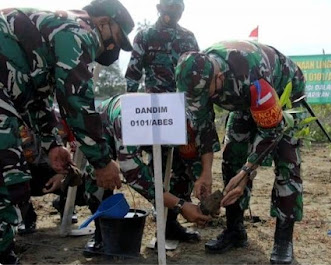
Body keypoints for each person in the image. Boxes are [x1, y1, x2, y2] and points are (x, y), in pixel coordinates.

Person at [0, 0, 134, 263]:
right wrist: (102, 161)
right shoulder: (78, 32)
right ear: (104, 22)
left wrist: (52, 145)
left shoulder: (56, 33)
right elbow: (76, 101)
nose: (113, 48)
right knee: (8, 177)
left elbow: (38, 100)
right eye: (117, 38)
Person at [175, 40, 306, 264]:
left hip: (283, 94)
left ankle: (284, 239)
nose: (203, 101)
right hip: (243, 101)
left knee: (287, 163)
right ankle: (235, 231)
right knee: (231, 157)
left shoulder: (253, 76)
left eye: (206, 95)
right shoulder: (197, 74)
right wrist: (203, 173)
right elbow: (203, 126)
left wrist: (247, 172)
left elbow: (270, 132)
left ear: (219, 78)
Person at [82, 95, 211, 256]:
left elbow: (193, 155)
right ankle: (102, 233)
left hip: (154, 130)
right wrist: (180, 205)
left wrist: (202, 183)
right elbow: (133, 173)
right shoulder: (128, 120)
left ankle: (169, 225)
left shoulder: (185, 118)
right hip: (107, 124)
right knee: (99, 173)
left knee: (178, 164)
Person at [124, 0, 204, 243]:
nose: (173, 13)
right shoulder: (145, 36)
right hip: (155, 115)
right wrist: (131, 114)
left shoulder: (188, 38)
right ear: (160, 9)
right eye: (170, 9)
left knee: (183, 170)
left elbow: (198, 73)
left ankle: (171, 224)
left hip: (182, 114)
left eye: (177, 9)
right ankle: (162, 217)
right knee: (158, 169)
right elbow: (133, 77)